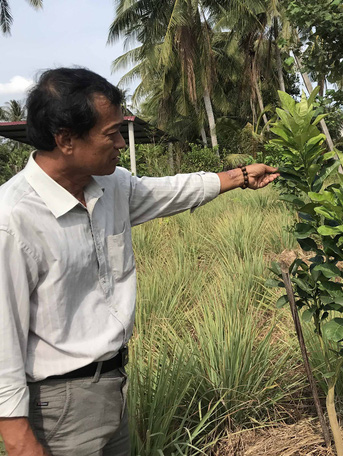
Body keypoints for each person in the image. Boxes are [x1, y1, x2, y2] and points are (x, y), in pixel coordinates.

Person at [0, 67, 279, 455]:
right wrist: (17, 438)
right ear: (65, 139)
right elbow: (2, 340)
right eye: (110, 132)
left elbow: (172, 190)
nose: (119, 142)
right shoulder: (12, 220)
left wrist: (240, 175)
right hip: (57, 408)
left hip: (114, 386)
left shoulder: (111, 185)